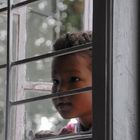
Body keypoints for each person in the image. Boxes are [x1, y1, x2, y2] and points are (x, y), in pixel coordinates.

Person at [34, 31, 93, 139]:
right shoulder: (71, 131)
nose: (60, 90)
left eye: (74, 79)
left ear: (99, 80)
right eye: (55, 81)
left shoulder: (115, 129)